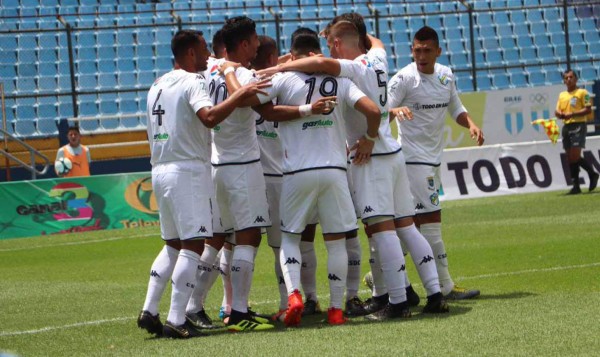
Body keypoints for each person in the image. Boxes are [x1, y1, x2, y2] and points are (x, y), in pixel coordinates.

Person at [229, 29, 381, 326]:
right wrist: (370, 138)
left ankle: (296, 295)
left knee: (290, 239)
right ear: (316, 54)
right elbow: (373, 110)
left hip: (297, 172)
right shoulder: (340, 80)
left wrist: (268, 108)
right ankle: (336, 310)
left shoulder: (283, 79)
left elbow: (247, 101)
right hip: (335, 171)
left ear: (293, 54)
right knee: (336, 241)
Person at [136, 29, 268, 339]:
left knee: (172, 244)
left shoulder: (156, 84)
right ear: (191, 53)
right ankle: (177, 318)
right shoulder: (192, 81)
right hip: (188, 169)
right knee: (194, 244)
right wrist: (236, 95)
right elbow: (209, 117)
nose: (208, 53)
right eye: (203, 48)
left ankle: (150, 309)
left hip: (159, 168)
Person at [387, 26, 483, 300]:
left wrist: (471, 124)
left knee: (412, 224)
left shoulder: (445, 75)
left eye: (427, 50)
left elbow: (456, 107)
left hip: (432, 159)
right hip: (411, 160)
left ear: (438, 51)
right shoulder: (404, 79)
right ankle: (445, 286)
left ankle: (382, 274)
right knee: (431, 220)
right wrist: (394, 110)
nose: (422, 55)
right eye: (417, 50)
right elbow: (382, 112)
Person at [555, 69, 598, 194]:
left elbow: (588, 109)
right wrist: (559, 114)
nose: (568, 79)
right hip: (566, 126)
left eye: (571, 77)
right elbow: (557, 111)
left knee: (574, 155)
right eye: (566, 78)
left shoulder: (582, 92)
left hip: (578, 125)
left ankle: (592, 173)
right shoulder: (562, 95)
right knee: (570, 157)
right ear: (564, 80)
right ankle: (576, 186)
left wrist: (572, 114)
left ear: (576, 79)